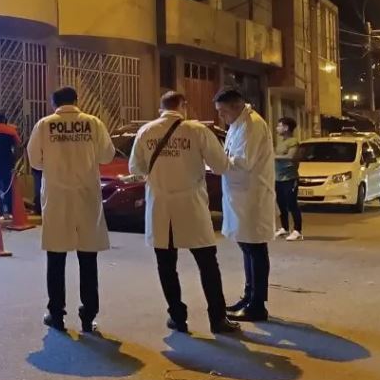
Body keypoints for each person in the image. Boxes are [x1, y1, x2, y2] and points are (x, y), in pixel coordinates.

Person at [129, 92, 241, 334]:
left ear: (161, 108)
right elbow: (221, 166)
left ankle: (177, 317)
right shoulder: (197, 130)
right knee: (207, 264)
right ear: (183, 105)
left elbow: (135, 167)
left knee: (166, 265)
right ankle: (217, 319)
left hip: (160, 207)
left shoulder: (146, 131)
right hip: (191, 205)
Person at [27, 86, 115, 333]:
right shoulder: (93, 123)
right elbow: (107, 156)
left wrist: (54, 165)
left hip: (57, 196)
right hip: (86, 195)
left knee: (56, 258)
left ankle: (56, 315)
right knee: (88, 259)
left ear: (53, 103)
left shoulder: (45, 125)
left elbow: (34, 160)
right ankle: (88, 316)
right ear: (77, 100)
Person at [214, 89, 276, 322]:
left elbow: (242, 162)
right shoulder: (237, 124)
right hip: (240, 195)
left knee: (255, 248)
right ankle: (249, 297)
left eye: (223, 111)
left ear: (236, 106)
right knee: (248, 247)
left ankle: (257, 304)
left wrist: (217, 161)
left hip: (252, 196)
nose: (221, 116)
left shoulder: (252, 125)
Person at [274, 117, 303, 241]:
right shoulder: (281, 141)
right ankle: (284, 228)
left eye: (279, 126)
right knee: (281, 204)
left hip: (290, 178)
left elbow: (291, 156)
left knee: (292, 204)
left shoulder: (293, 142)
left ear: (286, 128)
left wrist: (273, 156)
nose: (277, 128)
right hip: (278, 178)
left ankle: (297, 230)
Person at [0, 112, 21, 220]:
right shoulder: (10, 130)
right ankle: (11, 210)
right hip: (7, 161)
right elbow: (17, 146)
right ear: (4, 120)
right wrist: (15, 160)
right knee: (8, 185)